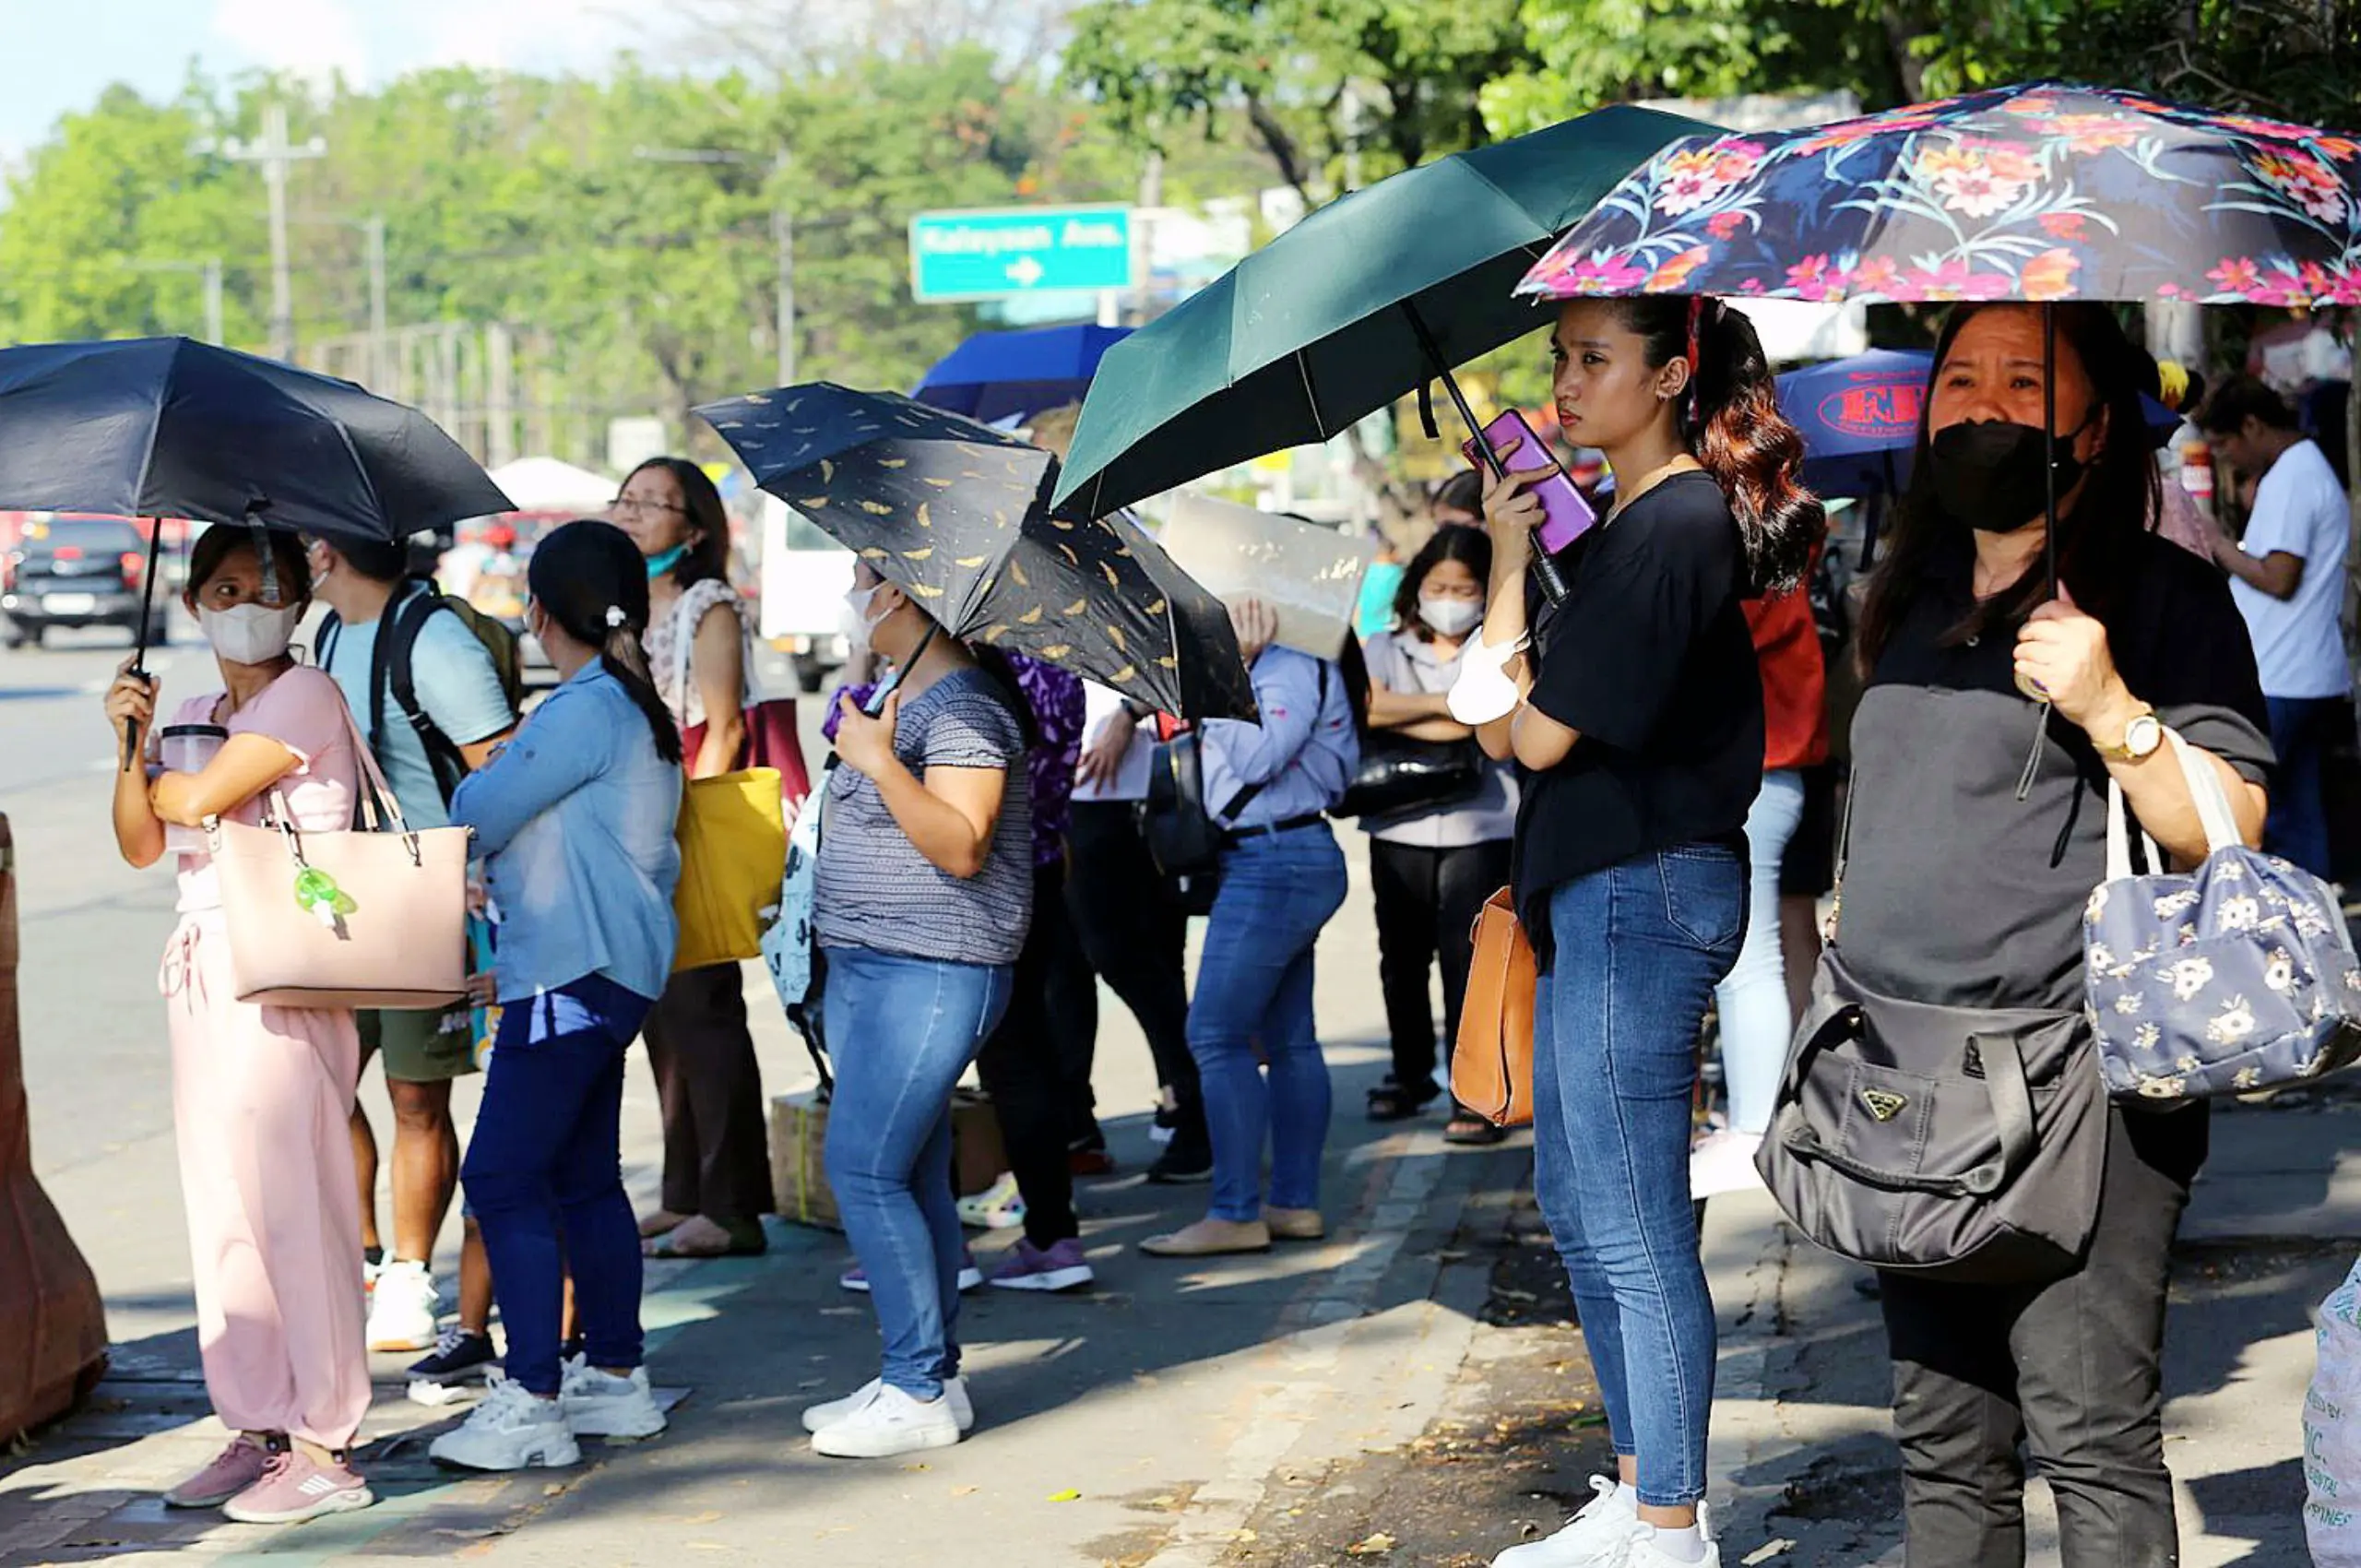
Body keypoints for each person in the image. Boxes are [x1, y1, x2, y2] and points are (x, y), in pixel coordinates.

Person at [1845, 303, 2270, 1564]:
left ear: (2097, 419)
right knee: (1943, 1447)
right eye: (1959, 377)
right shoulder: (1903, 590)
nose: (1981, 404)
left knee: (2088, 1440)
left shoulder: (2155, 593)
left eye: (2024, 380)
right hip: (1907, 1085)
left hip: (2077, 1092)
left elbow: (2227, 825)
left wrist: (2114, 709)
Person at [1464, 296, 1822, 1568]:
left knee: (1630, 1217)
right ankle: (1637, 1490)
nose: (1566, 382)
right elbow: (1504, 722)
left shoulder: (1671, 525)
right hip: (1602, 885)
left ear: (1671, 376)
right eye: (1561, 359)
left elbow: (1530, 735)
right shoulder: (1631, 525)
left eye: (1593, 359)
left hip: (1642, 884)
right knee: (1579, 1200)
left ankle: (1672, 1524)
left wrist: (1508, 588)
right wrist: (1513, 565)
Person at [102, 525, 374, 1525]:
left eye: (268, 585)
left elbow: (202, 797)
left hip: (286, 966)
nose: (247, 601)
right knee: (222, 1205)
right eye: (225, 585)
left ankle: (326, 1440)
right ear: (192, 603)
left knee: (295, 1204)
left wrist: (151, 770)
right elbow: (141, 839)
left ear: (299, 601)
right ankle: (257, 1421)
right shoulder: (191, 708)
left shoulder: (305, 697)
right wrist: (127, 741)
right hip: (204, 962)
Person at [429, 519, 683, 1471]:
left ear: (541, 612)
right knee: (580, 1178)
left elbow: (476, 810)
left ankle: (532, 1392)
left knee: (500, 1177)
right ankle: (614, 1375)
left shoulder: (582, 710)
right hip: (601, 972)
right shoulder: (629, 701)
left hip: (570, 982)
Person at [799, 562, 1033, 1458]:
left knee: (864, 1169)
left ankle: (915, 1387)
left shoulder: (967, 706)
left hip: (930, 967)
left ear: (899, 593)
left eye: (863, 574)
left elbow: (962, 842)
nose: (851, 588)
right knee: (912, 1171)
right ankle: (931, 1372)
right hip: (872, 963)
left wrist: (874, 762)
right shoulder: (902, 687)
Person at [308, 531, 517, 1358]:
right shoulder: (327, 634)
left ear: (330, 548)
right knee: (322, 1078)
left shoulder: (432, 639)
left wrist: (476, 872)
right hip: (341, 892)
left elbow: (498, 767)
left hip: (427, 891)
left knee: (416, 1095)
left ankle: (407, 1273)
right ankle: (362, 1256)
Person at [1140, 598, 1359, 1257]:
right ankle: (1292, 1204)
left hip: (1276, 860)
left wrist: (1233, 667)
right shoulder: (1289, 660)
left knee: (1214, 1034)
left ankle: (1235, 1211)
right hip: (1274, 856)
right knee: (1290, 1039)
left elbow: (1260, 756)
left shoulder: (1289, 662)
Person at [613, 457, 776, 1259]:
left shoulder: (708, 605)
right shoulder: (622, 605)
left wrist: (679, 831)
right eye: (627, 498)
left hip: (684, 823)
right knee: (660, 1017)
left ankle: (733, 1202)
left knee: (705, 1015)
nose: (634, 512)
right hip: (635, 817)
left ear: (697, 528)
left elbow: (725, 728)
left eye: (654, 503)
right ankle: (684, 1194)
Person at [1358, 524, 1520, 1143]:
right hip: (1399, 823)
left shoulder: (1498, 644)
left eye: (1463, 587)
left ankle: (1474, 1089)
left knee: (1468, 960)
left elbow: (1493, 721)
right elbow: (1369, 706)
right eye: (1438, 586)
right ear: (1416, 588)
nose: (1449, 597)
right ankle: (1408, 1073)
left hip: (1482, 825)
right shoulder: (1382, 645)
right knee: (1401, 958)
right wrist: (1454, 707)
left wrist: (1416, 707)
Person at [1688, 568, 1827, 1197]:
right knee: (1753, 958)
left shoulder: (1750, 567)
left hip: (1756, 771)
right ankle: (1751, 1124)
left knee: (1750, 961)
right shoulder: (1773, 562)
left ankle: (1752, 1129)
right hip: (1765, 769)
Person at [2197, 375, 2348, 881]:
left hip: (2281, 674)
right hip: (2304, 672)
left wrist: (2217, 543)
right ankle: (2315, 923)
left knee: (2258, 812)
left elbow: (2279, 576)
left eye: (2224, 445)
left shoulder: (2294, 477)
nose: (2225, 459)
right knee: (2299, 815)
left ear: (2253, 426)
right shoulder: (2303, 470)